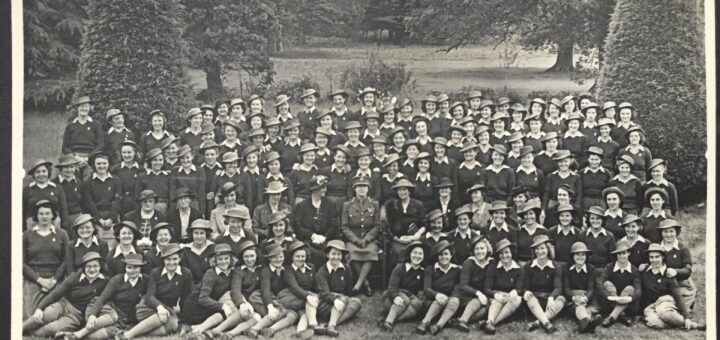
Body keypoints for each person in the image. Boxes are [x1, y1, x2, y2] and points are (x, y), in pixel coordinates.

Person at [22, 252, 108, 338]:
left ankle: (30, 334)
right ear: (84, 267)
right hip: (64, 305)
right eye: (89, 266)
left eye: (95, 266)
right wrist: (39, 308)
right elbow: (56, 294)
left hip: (76, 316)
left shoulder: (105, 281)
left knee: (51, 329)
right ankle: (19, 329)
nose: (92, 269)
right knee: (45, 315)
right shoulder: (74, 277)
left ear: (100, 267)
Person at [116, 244, 193, 339]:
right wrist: (160, 308)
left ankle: (136, 332)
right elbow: (150, 296)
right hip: (147, 308)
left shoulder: (186, 274)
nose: (171, 262)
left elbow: (185, 299)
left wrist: (184, 320)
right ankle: (128, 335)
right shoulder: (155, 272)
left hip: (167, 310)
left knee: (174, 324)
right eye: (168, 259)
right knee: (166, 317)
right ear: (163, 260)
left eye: (174, 259)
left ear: (179, 259)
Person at [65, 253, 147, 340]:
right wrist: (92, 315)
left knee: (104, 334)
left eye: (136, 267)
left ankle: (69, 336)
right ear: (125, 267)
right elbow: (102, 299)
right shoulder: (117, 280)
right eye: (129, 267)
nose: (132, 270)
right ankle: (79, 333)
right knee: (112, 317)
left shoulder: (145, 280)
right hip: (108, 309)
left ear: (141, 268)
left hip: (123, 319)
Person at [23, 200, 71, 319]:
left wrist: (54, 280)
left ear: (52, 215)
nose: (44, 216)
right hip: (34, 279)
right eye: (41, 213)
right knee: (30, 316)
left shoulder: (62, 234)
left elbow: (67, 261)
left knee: (56, 314)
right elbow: (21, 263)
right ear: (36, 215)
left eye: (47, 213)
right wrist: (39, 279)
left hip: (55, 279)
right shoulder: (27, 235)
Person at [641, 244, 704, 330]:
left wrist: (687, 316)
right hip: (652, 306)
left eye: (657, 257)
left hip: (665, 302)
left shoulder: (668, 273)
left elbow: (677, 296)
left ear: (662, 257)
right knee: (654, 323)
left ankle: (692, 324)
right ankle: (679, 324)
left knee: (664, 313)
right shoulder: (645, 271)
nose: (654, 260)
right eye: (651, 257)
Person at [207, 241, 263, 339]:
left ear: (257, 255)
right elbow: (235, 289)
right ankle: (215, 331)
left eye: (252, 256)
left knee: (257, 317)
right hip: (234, 297)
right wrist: (242, 303)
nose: (249, 259)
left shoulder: (260, 269)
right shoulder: (238, 270)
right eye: (246, 257)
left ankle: (229, 334)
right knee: (245, 313)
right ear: (242, 257)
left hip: (251, 301)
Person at [244, 243, 299, 338]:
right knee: (279, 311)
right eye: (275, 257)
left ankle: (271, 329)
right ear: (269, 258)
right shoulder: (266, 271)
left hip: (277, 299)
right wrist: (270, 307)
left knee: (293, 314)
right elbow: (265, 290)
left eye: (281, 257)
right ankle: (255, 329)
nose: (279, 260)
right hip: (261, 298)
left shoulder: (285, 269)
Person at [181, 243, 237, 335]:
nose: (223, 262)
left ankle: (194, 328)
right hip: (196, 306)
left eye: (226, 258)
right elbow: (203, 298)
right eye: (220, 259)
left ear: (231, 259)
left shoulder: (231, 272)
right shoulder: (211, 274)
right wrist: (223, 306)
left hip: (210, 304)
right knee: (222, 314)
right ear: (215, 260)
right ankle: (196, 331)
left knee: (227, 315)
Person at [341, 176, 382, 296]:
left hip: (370, 240)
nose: (362, 189)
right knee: (352, 253)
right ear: (354, 189)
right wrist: (355, 240)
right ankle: (366, 284)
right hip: (353, 239)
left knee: (370, 253)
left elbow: (377, 226)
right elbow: (344, 227)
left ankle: (358, 285)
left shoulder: (374, 204)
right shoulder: (347, 205)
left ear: (368, 189)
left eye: (364, 186)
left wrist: (367, 239)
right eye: (359, 186)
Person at [314, 240, 362, 337]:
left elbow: (348, 291)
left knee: (356, 302)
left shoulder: (346, 268)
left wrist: (344, 299)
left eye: (339, 254)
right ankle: (332, 325)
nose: (336, 257)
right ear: (328, 255)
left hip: (341, 302)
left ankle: (328, 324)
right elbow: (324, 292)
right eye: (333, 254)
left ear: (342, 256)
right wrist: (336, 299)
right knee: (342, 299)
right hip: (326, 302)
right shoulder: (322, 271)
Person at [379, 241, 428, 331]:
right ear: (410, 254)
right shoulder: (400, 267)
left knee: (418, 304)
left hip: (410, 297)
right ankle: (389, 321)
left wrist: (420, 297)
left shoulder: (422, 271)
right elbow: (392, 287)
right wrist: (395, 297)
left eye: (420, 254)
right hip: (394, 295)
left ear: (424, 256)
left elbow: (421, 290)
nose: (417, 256)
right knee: (404, 299)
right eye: (415, 253)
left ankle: (390, 320)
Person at [417, 240, 461, 335]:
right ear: (437, 256)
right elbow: (426, 289)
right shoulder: (430, 269)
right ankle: (424, 322)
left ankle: (437, 326)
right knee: (440, 300)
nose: (444, 257)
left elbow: (458, 287)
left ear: (451, 255)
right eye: (440, 254)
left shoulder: (457, 270)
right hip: (432, 300)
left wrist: (450, 297)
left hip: (450, 301)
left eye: (446, 254)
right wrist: (437, 295)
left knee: (455, 301)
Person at [522, 235, 564, 333]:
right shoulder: (528, 266)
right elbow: (524, 286)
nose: (540, 251)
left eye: (542, 248)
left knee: (562, 299)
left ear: (548, 249)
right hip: (535, 300)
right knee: (529, 298)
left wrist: (551, 297)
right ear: (534, 251)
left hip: (549, 300)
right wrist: (526, 291)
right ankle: (546, 323)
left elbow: (558, 287)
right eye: (537, 249)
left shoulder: (556, 266)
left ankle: (537, 322)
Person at [294, 175, 338, 268]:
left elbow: (334, 225)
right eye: (322, 188)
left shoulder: (330, 204)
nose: (325, 190)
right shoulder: (302, 206)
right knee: (312, 253)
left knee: (329, 251)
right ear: (314, 189)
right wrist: (312, 235)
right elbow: (298, 227)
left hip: (326, 240)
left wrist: (324, 237)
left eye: (325, 187)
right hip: (308, 241)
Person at [480, 238, 523, 334]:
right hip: (497, 297)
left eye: (507, 252)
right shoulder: (493, 267)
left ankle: (491, 324)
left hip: (511, 300)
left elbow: (520, 288)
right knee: (497, 300)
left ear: (512, 253)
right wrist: (495, 294)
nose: (504, 256)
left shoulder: (519, 269)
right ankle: (490, 321)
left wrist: (515, 291)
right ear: (498, 255)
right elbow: (486, 288)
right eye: (501, 253)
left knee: (517, 298)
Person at [452, 235, 494, 332]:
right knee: (478, 301)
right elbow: (463, 285)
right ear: (473, 251)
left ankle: (457, 321)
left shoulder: (491, 263)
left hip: (481, 295)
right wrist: (478, 294)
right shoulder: (469, 263)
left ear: (487, 249)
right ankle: (463, 320)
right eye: (477, 249)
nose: (480, 251)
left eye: (482, 248)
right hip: (464, 294)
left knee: (485, 309)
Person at [596, 240, 642, 327]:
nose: (621, 256)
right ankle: (622, 315)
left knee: (630, 288)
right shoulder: (609, 267)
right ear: (616, 255)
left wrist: (630, 299)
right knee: (607, 284)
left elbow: (638, 290)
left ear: (629, 253)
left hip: (628, 306)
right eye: (619, 254)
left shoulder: (634, 270)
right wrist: (609, 296)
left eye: (624, 253)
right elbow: (600, 282)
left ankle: (612, 317)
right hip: (611, 302)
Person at [81, 151, 122, 246]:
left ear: (108, 164)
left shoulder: (116, 180)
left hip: (112, 217)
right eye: (98, 163)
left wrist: (111, 219)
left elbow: (117, 201)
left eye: (104, 163)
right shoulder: (88, 182)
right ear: (94, 165)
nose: (102, 166)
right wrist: (99, 220)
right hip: (95, 218)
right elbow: (89, 203)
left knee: (114, 245)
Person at [563, 242, 603, 333]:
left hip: (587, 298)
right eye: (577, 254)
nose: (580, 257)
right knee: (579, 307)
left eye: (583, 254)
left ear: (586, 256)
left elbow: (591, 288)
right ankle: (588, 323)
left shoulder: (591, 269)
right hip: (572, 299)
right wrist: (574, 298)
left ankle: (585, 325)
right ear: (572, 256)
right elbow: (566, 288)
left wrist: (585, 298)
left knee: (589, 308)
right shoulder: (566, 269)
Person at [384, 178, 426, 265]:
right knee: (397, 252)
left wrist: (415, 236)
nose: (402, 192)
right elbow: (389, 226)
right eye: (399, 190)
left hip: (415, 238)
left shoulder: (418, 205)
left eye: (404, 189)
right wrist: (397, 239)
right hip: (398, 240)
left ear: (409, 191)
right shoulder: (392, 205)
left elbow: (424, 225)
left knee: (415, 251)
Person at [62, 96, 105, 181]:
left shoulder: (95, 124)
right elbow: (65, 148)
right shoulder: (71, 125)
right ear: (77, 108)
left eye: (86, 106)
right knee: (72, 180)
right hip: (74, 158)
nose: (84, 109)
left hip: (90, 157)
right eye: (81, 106)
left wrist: (87, 158)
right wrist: (76, 157)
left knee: (88, 181)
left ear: (89, 108)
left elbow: (100, 145)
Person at [656, 219, 696, 310]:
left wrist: (676, 271)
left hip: (680, 283)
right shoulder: (657, 247)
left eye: (671, 231)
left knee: (678, 304)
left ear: (676, 232)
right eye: (665, 231)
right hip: (663, 283)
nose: (669, 234)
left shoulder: (683, 249)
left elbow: (688, 270)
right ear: (661, 233)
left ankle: (687, 302)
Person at [24, 159, 69, 230]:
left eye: (44, 171)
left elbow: (63, 209)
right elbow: (22, 211)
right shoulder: (27, 190)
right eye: (37, 172)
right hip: (32, 225)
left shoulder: (57, 188)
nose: (41, 174)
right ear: (33, 174)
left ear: (48, 172)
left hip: (54, 224)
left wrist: (64, 227)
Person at [169, 145, 206, 213]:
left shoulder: (199, 171)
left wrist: (202, 211)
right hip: (180, 204)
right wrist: (173, 210)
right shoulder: (175, 171)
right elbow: (172, 192)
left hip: (194, 204)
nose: (185, 160)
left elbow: (201, 192)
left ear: (192, 157)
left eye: (188, 157)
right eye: (182, 158)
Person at [111, 140, 144, 215]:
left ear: (135, 153)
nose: (126, 155)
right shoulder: (115, 169)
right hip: (121, 202)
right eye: (124, 152)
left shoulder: (141, 169)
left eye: (129, 152)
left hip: (136, 202)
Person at [134, 148, 171, 215]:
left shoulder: (167, 176)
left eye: (160, 160)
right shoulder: (142, 176)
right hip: (147, 207)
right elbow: (137, 197)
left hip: (164, 208)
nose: (158, 162)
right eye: (155, 160)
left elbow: (171, 195)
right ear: (150, 161)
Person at [54, 154, 84, 233]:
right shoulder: (54, 183)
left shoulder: (78, 182)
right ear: (60, 169)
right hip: (60, 218)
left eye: (72, 167)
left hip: (76, 216)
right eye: (66, 167)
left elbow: (82, 201)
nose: (69, 170)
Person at [181, 220, 215, 285]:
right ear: (192, 234)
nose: (199, 236)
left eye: (202, 233)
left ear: (206, 234)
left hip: (211, 286)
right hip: (192, 288)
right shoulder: (185, 251)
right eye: (196, 233)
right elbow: (186, 275)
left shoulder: (213, 248)